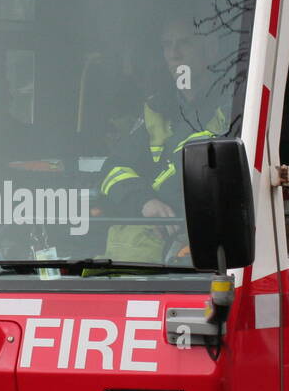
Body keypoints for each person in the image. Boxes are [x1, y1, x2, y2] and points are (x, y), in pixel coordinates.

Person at [97, 17, 232, 262]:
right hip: (167, 242)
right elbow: (111, 171)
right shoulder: (157, 108)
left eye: (184, 44)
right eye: (167, 46)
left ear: (210, 50)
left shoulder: (234, 102)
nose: (174, 54)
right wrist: (146, 202)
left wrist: (163, 202)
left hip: (215, 240)